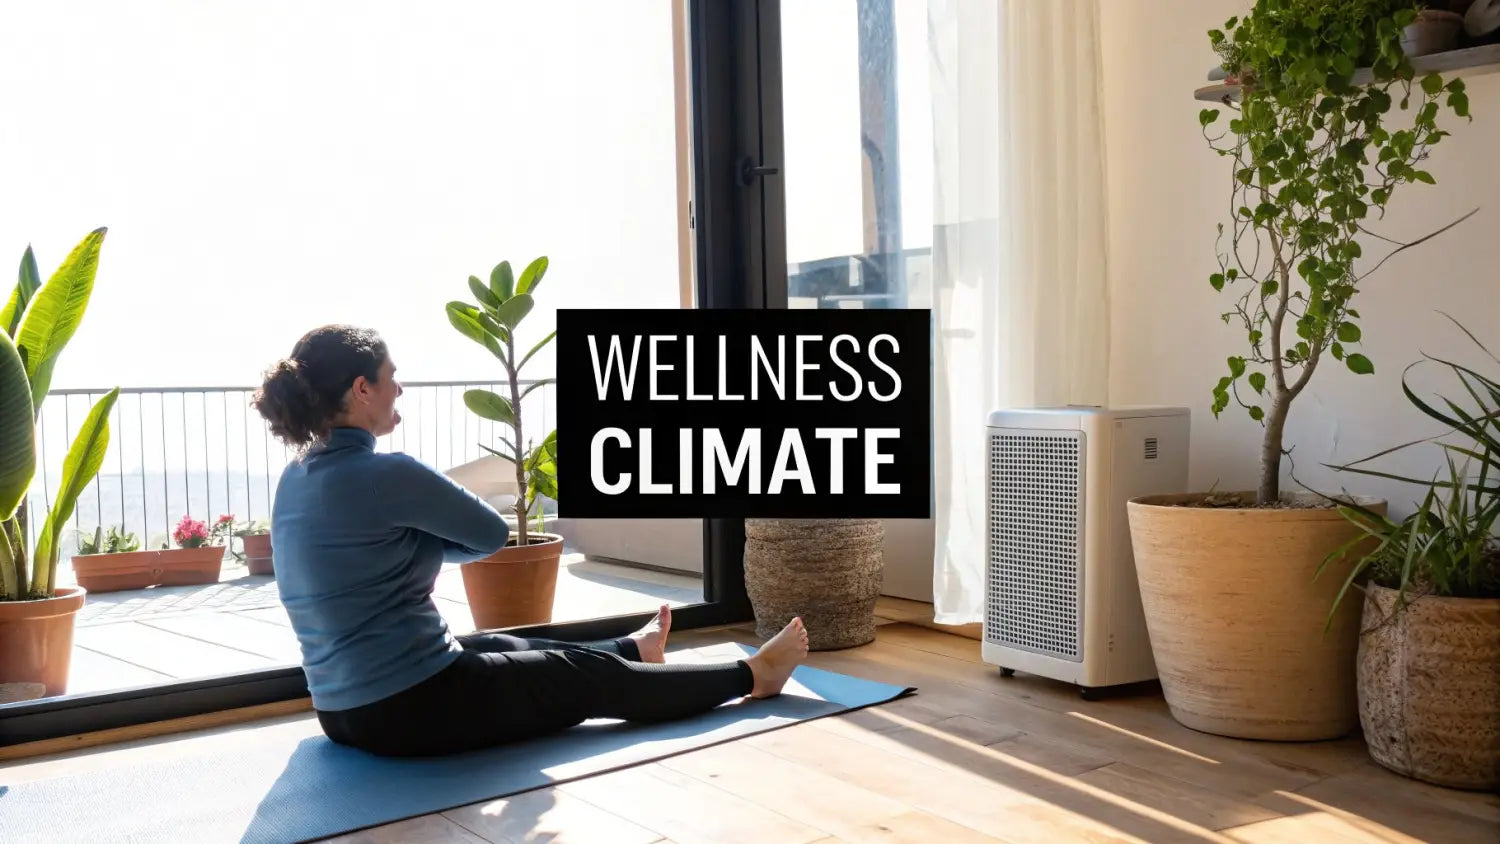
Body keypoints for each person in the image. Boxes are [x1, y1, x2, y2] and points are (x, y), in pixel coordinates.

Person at [251, 325, 810, 758]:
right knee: (582, 682)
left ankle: (634, 650)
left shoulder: (294, 479)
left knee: (504, 648)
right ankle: (752, 676)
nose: (400, 388)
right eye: (390, 375)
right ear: (361, 388)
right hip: (412, 708)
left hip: (341, 711)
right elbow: (491, 535)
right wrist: (420, 543)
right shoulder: (386, 472)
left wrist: (407, 548)